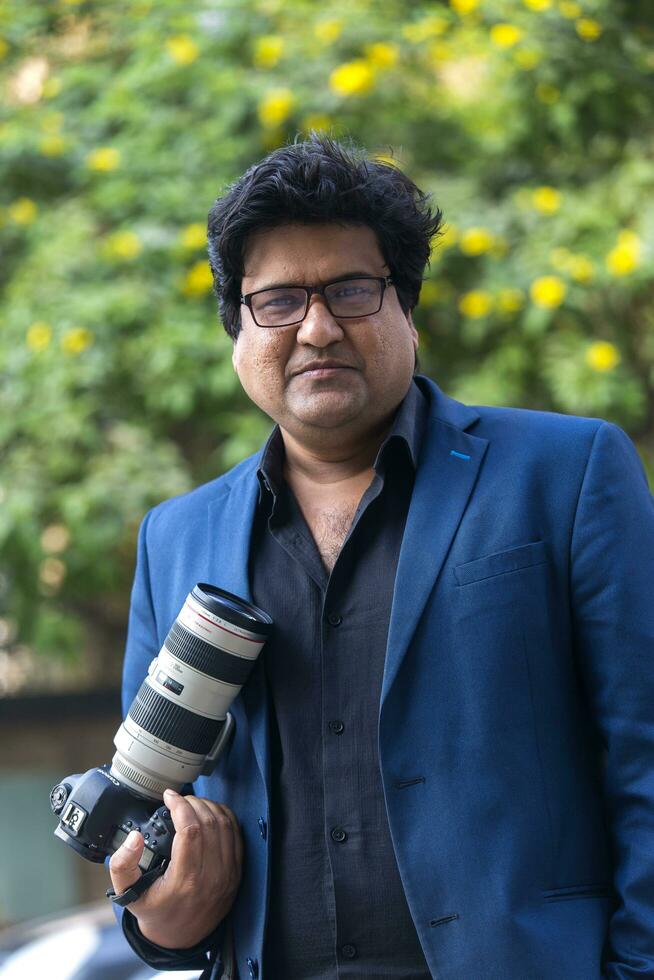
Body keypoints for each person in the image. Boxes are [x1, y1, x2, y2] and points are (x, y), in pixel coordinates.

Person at [108, 135, 654, 979]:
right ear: (238, 329)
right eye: (279, 301)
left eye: (353, 291)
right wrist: (160, 922)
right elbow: (149, 813)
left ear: (408, 307)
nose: (318, 328)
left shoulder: (568, 473)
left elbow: (644, 759)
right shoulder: (174, 536)